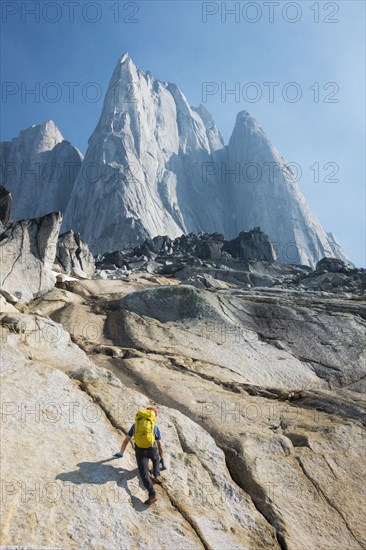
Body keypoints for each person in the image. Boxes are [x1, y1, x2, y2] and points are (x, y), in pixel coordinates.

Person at [114, 406, 166, 505]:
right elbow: (160, 446)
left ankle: (152, 494)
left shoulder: (136, 425)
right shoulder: (154, 426)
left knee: (144, 473)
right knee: (155, 459)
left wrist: (121, 453)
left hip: (140, 451)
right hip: (152, 449)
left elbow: (126, 441)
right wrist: (162, 459)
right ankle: (156, 474)